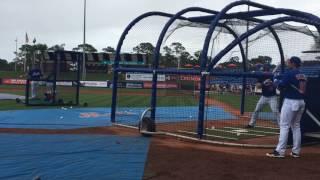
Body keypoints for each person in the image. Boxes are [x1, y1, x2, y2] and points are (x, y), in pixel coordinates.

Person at [266, 56, 306, 158]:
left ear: (293, 63)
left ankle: (279, 151)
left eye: (289, 62)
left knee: (284, 126)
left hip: (291, 101)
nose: (288, 64)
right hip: (301, 101)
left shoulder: (289, 73)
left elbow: (281, 86)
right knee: (296, 126)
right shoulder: (302, 74)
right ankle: (296, 152)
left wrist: (274, 80)